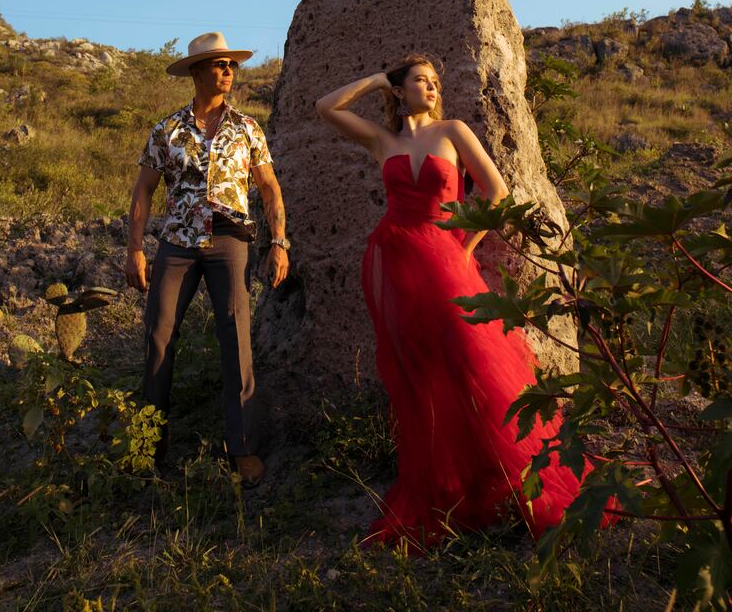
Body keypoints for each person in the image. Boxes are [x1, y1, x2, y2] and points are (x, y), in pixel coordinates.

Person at [316, 53, 604, 547]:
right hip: (396, 264)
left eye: (434, 82)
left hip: (445, 259)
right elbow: (325, 107)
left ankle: (511, 477)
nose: (430, 88)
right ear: (400, 90)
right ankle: (447, 484)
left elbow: (495, 190)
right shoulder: (381, 141)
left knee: (475, 361)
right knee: (422, 375)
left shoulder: (453, 131)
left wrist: (464, 247)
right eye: (419, 81)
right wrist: (372, 81)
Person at [126, 31, 291, 486]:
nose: (228, 72)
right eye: (219, 65)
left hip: (229, 239)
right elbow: (143, 190)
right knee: (158, 335)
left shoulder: (247, 128)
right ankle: (147, 445)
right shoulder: (168, 130)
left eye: (231, 65)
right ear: (196, 72)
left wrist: (279, 243)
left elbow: (269, 189)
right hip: (177, 242)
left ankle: (241, 448)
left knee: (235, 338)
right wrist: (136, 248)